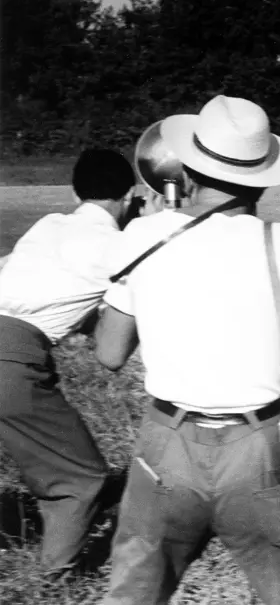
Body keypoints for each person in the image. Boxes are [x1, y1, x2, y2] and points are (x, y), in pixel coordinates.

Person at [94, 94, 280, 605]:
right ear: (264, 178)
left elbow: (109, 352)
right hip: (257, 449)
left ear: (185, 170)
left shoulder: (140, 236)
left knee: (133, 591)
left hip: (165, 448)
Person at [0, 148, 137, 579]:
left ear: (75, 191)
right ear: (131, 195)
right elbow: (111, 340)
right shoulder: (118, 248)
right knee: (81, 478)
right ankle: (55, 582)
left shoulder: (49, 225)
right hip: (10, 357)